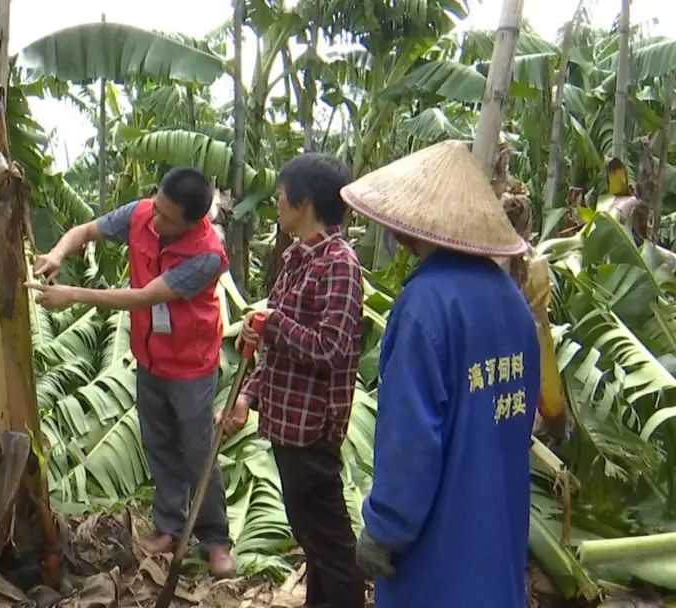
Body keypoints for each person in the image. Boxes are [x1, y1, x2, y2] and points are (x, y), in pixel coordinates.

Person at [340, 140, 541, 608]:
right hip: (497, 536)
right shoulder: (511, 300)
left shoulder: (425, 306)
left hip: (438, 553)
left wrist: (385, 528)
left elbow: (411, 442)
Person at [28, 167, 235, 577]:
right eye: (157, 208)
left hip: (190, 363)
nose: (156, 221)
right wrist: (57, 253)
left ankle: (215, 539)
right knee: (158, 444)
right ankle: (170, 526)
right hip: (149, 355)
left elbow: (144, 297)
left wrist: (73, 295)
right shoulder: (142, 213)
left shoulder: (207, 255)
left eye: (168, 219)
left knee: (197, 453)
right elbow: (85, 231)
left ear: (194, 221)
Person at [218, 153, 366, 608]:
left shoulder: (339, 264)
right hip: (285, 423)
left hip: (312, 428)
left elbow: (331, 348)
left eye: (283, 194)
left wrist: (274, 322)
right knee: (312, 537)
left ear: (304, 203)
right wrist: (247, 394)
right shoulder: (297, 258)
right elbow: (279, 346)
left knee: (330, 542)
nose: (277, 202)